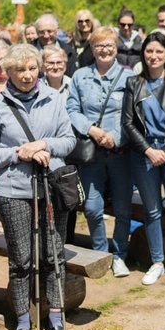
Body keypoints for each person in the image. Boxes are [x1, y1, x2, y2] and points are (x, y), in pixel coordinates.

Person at [0, 43, 75, 330]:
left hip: (50, 189)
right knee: (20, 260)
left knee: (54, 256)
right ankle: (22, 320)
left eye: (32, 68)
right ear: (7, 71)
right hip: (13, 191)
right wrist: (19, 153)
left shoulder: (54, 98)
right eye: (20, 69)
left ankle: (56, 318)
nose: (27, 75)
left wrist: (43, 144)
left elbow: (69, 140)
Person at [122, 31, 165, 288]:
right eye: (149, 51)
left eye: (159, 51)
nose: (154, 56)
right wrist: (148, 149)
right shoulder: (134, 83)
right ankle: (158, 262)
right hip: (145, 155)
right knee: (151, 211)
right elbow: (128, 123)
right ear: (143, 54)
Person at [66, 27, 134, 277]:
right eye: (99, 46)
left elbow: (133, 113)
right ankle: (99, 253)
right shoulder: (80, 76)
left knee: (123, 208)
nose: (104, 50)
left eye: (109, 45)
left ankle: (120, 255)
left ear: (116, 48)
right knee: (93, 207)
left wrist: (115, 137)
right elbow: (72, 109)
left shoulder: (128, 77)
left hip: (120, 153)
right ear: (92, 49)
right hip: (91, 152)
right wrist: (92, 130)